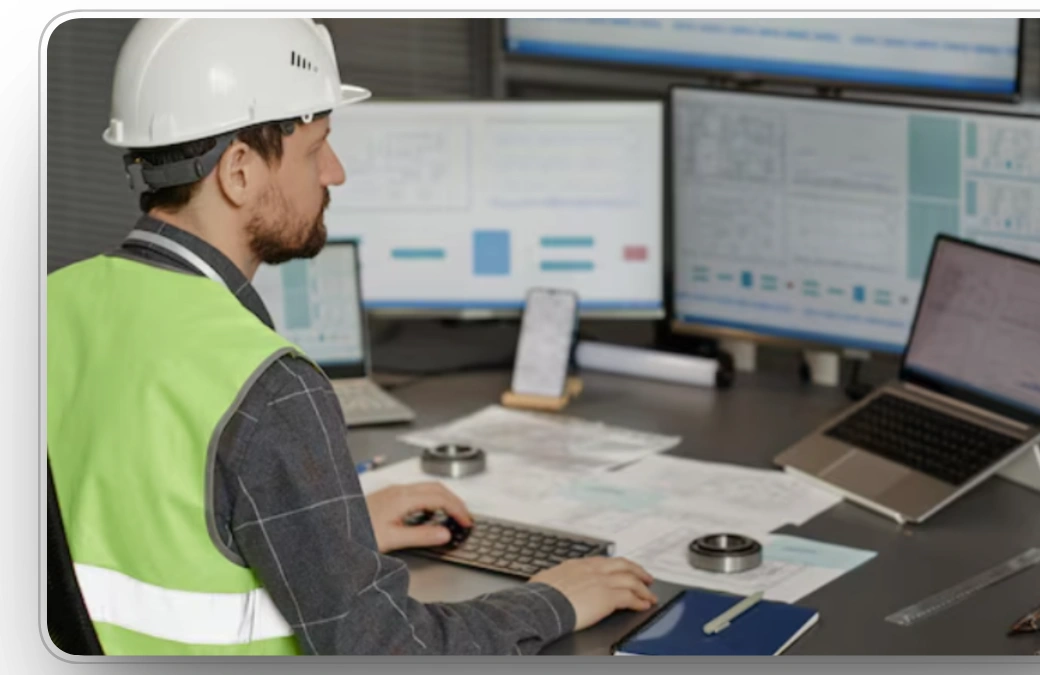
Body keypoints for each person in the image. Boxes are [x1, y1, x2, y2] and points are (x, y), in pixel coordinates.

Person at [46, 17, 656, 656]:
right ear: (239, 171)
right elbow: (387, 651)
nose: (333, 173)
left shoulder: (48, 305)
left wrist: (334, 530)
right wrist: (552, 598)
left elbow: (140, 519)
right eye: (316, 149)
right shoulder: (267, 386)